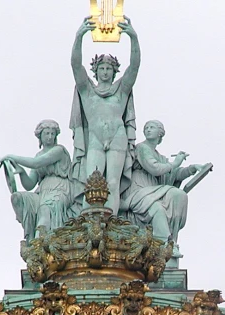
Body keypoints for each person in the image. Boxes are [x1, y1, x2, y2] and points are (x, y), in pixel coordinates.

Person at [70, 15, 140, 214]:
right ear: (95, 70)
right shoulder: (87, 90)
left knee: (113, 182)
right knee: (92, 181)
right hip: (95, 139)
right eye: (102, 68)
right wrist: (79, 37)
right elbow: (75, 65)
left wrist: (134, 39)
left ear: (114, 71)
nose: (105, 72)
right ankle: (87, 227)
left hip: (117, 137)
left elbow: (134, 67)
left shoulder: (121, 90)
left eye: (109, 68)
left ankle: (111, 224)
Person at [120, 120, 205, 257]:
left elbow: (172, 174)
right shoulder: (141, 148)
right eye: (146, 127)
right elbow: (154, 168)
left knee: (179, 195)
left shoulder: (159, 156)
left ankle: (171, 240)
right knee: (158, 209)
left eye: (151, 127)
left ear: (160, 133)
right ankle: (165, 244)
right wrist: (175, 163)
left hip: (152, 190)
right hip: (138, 189)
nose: (147, 130)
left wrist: (191, 169)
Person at [0, 120, 82, 241]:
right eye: (47, 133)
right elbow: (29, 185)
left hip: (60, 188)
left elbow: (36, 164)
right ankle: (35, 242)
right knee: (18, 198)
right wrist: (22, 173)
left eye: (52, 134)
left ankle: (40, 244)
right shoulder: (38, 154)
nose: (50, 137)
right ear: (40, 136)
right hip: (42, 191)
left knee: (45, 209)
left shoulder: (59, 151)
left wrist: (9, 156)